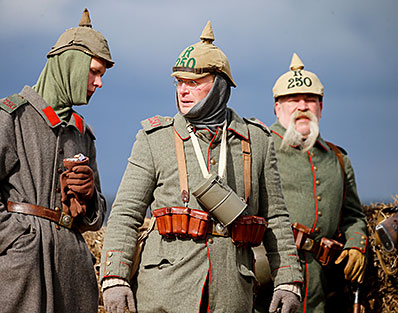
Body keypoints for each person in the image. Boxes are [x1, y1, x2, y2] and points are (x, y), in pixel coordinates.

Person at [99, 22, 303, 313]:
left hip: (232, 295)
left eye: (194, 83)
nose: (183, 91)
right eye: (179, 82)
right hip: (165, 294)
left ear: (219, 84)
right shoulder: (154, 139)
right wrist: (114, 278)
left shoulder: (256, 140)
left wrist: (288, 281)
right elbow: (125, 213)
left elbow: (277, 217)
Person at [0, 8, 113, 313]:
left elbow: (97, 214)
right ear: (70, 65)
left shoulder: (82, 133)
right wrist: (17, 241)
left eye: (102, 74)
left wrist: (89, 200)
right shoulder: (11, 116)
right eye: (94, 71)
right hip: (20, 276)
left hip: (72, 280)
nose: (99, 82)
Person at [268, 53, 367, 313]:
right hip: (268, 281)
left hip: (323, 288)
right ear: (278, 107)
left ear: (320, 107)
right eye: (293, 100)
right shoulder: (259, 148)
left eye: (310, 100)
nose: (302, 106)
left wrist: (356, 244)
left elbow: (354, 216)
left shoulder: (337, 158)